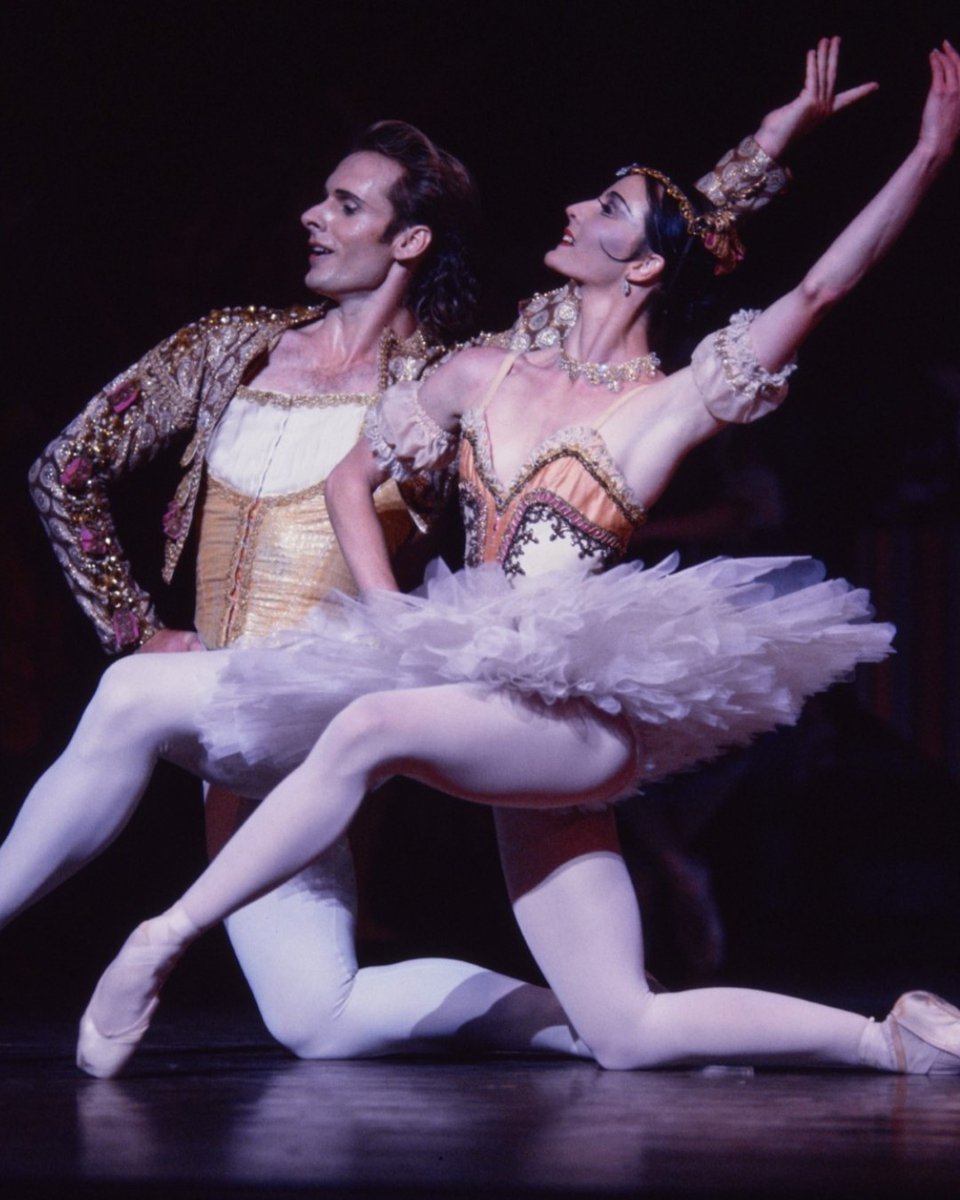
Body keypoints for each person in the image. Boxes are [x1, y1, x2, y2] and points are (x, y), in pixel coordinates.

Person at [60, 40, 960, 1080]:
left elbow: (818, 289)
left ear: (644, 264)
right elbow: (353, 475)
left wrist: (926, 159)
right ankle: (890, 1038)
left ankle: (160, 940)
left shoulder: (666, 404)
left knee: (370, 726)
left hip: (571, 711)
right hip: (491, 695)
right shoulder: (496, 365)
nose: (574, 209)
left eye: (606, 209)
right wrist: (392, 612)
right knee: (625, 1030)